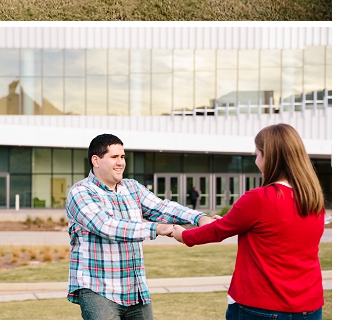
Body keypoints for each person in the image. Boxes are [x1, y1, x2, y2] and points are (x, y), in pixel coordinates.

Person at [171, 123, 325, 320]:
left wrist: (183, 235)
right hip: (309, 308)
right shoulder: (314, 199)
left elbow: (218, 231)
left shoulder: (260, 198)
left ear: (270, 157)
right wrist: (228, 221)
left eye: (257, 155)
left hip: (261, 306)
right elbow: (275, 231)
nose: (255, 160)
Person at [66, 133, 219, 320]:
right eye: (114, 157)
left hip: (135, 291)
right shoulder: (81, 192)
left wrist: (200, 218)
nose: (121, 162)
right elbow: (106, 226)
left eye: (122, 156)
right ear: (96, 160)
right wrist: (158, 228)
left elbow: (162, 207)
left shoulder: (131, 188)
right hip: (99, 291)